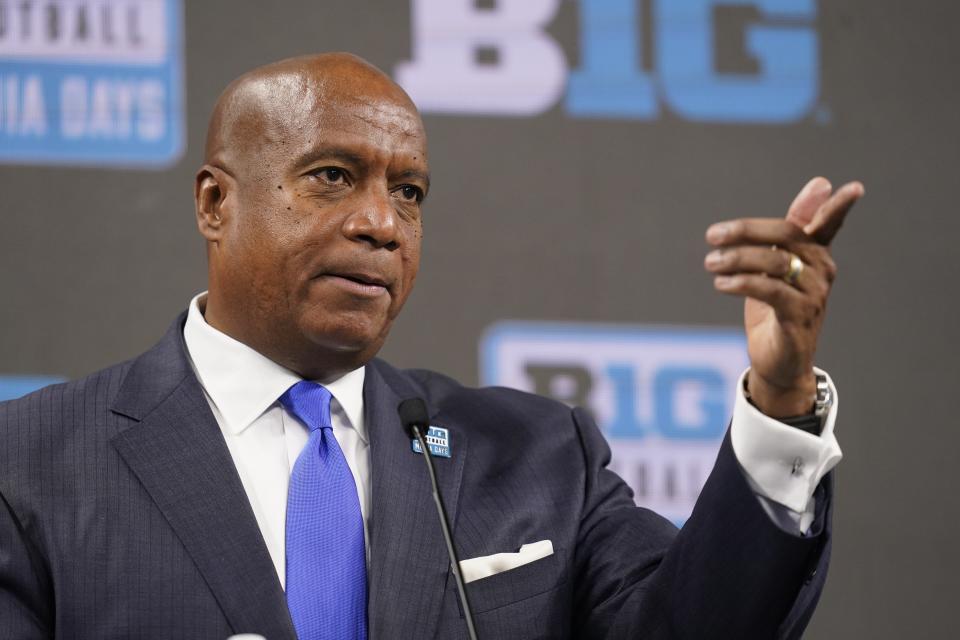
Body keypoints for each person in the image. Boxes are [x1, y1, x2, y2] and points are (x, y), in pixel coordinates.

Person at [0, 53, 863, 639]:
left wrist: (779, 400)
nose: (381, 223)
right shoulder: (29, 465)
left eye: (407, 192)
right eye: (332, 176)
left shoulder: (538, 457)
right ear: (215, 205)